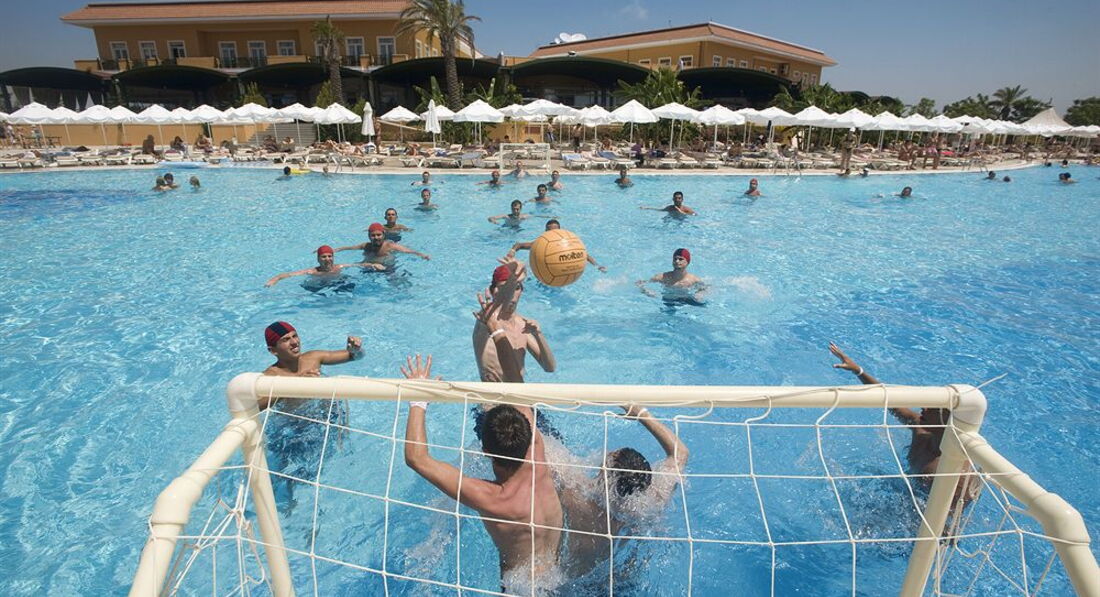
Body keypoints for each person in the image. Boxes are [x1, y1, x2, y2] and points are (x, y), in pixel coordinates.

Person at [400, 354, 563, 588]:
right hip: (558, 580)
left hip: (520, 590)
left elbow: (417, 458)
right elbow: (517, 385)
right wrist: (499, 336)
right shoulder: (537, 449)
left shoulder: (494, 498)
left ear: (485, 451)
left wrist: (418, 400)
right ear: (528, 434)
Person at [828, 343, 979, 505]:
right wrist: (858, 371)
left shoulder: (957, 472)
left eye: (932, 407)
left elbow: (950, 514)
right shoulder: (920, 428)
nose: (923, 408)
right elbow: (889, 401)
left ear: (947, 418)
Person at [551, 403, 689, 578]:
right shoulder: (651, 502)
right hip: (617, 579)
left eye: (610, 456)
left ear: (606, 474)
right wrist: (642, 414)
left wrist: (637, 412)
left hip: (571, 581)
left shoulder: (575, 492)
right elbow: (680, 453)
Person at [472, 260, 556, 383]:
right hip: (492, 394)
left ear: (521, 291)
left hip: (518, 391)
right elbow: (502, 299)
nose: (512, 294)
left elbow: (549, 367)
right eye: (504, 287)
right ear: (493, 291)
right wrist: (516, 276)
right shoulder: (487, 318)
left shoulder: (523, 324)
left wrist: (538, 335)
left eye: (517, 288)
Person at [505, 219, 607, 273]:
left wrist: (597, 266)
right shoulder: (541, 244)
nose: (553, 233)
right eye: (550, 231)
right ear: (545, 231)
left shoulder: (565, 243)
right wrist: (512, 252)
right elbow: (519, 245)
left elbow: (583, 254)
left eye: (555, 231)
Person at [265, 244, 384, 287]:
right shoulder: (313, 272)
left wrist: (373, 265)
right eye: (324, 257)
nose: (327, 259)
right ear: (318, 259)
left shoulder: (339, 267)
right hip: (320, 287)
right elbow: (288, 275)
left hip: (337, 284)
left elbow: (358, 265)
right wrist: (275, 279)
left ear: (333, 257)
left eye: (329, 256)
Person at [334, 223, 431, 265]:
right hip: (369, 265)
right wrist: (335, 250)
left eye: (378, 235)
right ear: (369, 236)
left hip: (387, 267)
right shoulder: (366, 246)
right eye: (373, 235)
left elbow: (408, 251)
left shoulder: (389, 246)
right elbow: (350, 248)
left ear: (383, 235)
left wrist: (421, 255)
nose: (376, 237)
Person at [637, 248, 707, 302]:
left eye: (680, 259)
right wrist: (646, 291)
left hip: (686, 300)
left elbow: (706, 288)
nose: (677, 261)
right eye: (675, 259)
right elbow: (642, 283)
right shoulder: (662, 277)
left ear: (687, 262)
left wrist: (699, 294)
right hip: (668, 300)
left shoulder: (693, 280)